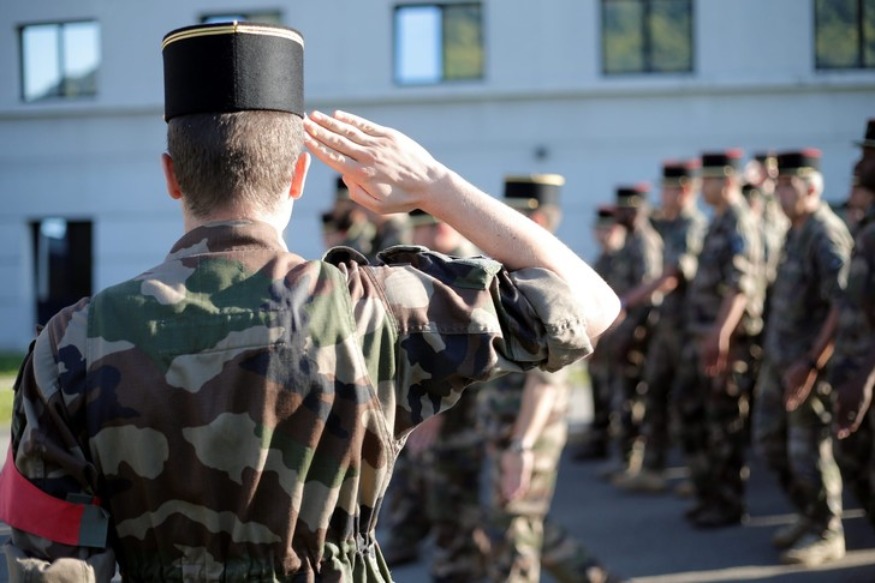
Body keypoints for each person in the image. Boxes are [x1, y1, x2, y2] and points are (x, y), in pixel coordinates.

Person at [0, 22, 620, 582]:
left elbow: (45, 563)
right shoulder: (376, 311)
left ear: (171, 175)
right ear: (298, 176)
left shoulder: (70, 344)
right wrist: (436, 186)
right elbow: (591, 305)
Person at [477, 175, 619, 583]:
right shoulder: (517, 273)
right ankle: (592, 575)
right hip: (506, 427)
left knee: (515, 534)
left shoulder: (549, 284)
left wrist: (521, 445)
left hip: (527, 430)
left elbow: (547, 380)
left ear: (535, 218)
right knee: (516, 524)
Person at [751, 150, 852, 566]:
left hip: (807, 366)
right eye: (779, 186)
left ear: (812, 188)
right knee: (770, 442)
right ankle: (807, 515)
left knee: (808, 449)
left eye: (789, 187)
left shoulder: (826, 233)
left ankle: (828, 531)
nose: (780, 193)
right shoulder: (796, 231)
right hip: (780, 362)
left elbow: (841, 304)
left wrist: (811, 362)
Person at [381, 209, 487, 582]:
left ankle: (459, 565)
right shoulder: (435, 268)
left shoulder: (470, 272)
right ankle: (446, 555)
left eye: (422, 228)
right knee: (429, 485)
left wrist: (436, 408)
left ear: (441, 227)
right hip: (428, 402)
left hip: (459, 408)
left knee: (452, 493)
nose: (418, 237)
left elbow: (473, 349)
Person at [678, 149, 765, 528]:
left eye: (707, 180)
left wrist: (720, 334)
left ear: (727, 182)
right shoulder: (719, 221)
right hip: (706, 340)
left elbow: (740, 285)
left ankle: (728, 503)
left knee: (724, 423)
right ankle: (711, 494)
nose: (700, 187)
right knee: (699, 416)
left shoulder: (740, 223)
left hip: (727, 343)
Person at [614, 160, 707, 493]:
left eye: (667, 189)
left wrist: (628, 300)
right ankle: (653, 468)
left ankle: (699, 476)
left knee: (688, 401)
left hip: (687, 328)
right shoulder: (667, 226)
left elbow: (671, 276)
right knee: (656, 394)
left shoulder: (692, 226)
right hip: (667, 328)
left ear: (683, 190)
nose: (661, 195)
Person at [600, 184, 663, 480]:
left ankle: (636, 462)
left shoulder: (645, 242)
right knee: (622, 394)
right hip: (625, 330)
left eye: (624, 209)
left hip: (639, 332)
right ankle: (625, 461)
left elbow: (650, 290)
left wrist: (633, 326)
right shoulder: (630, 242)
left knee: (634, 396)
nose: (619, 214)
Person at [832, 133, 875, 533]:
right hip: (858, 365)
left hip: (867, 371)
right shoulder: (868, 226)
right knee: (854, 462)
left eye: (867, 155)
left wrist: (865, 377)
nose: (859, 165)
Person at [574, 206, 626, 461]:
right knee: (599, 389)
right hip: (600, 339)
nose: (603, 234)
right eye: (599, 228)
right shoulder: (602, 260)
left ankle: (616, 446)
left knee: (617, 393)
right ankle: (599, 442)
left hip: (618, 338)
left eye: (608, 228)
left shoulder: (622, 258)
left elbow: (619, 304)